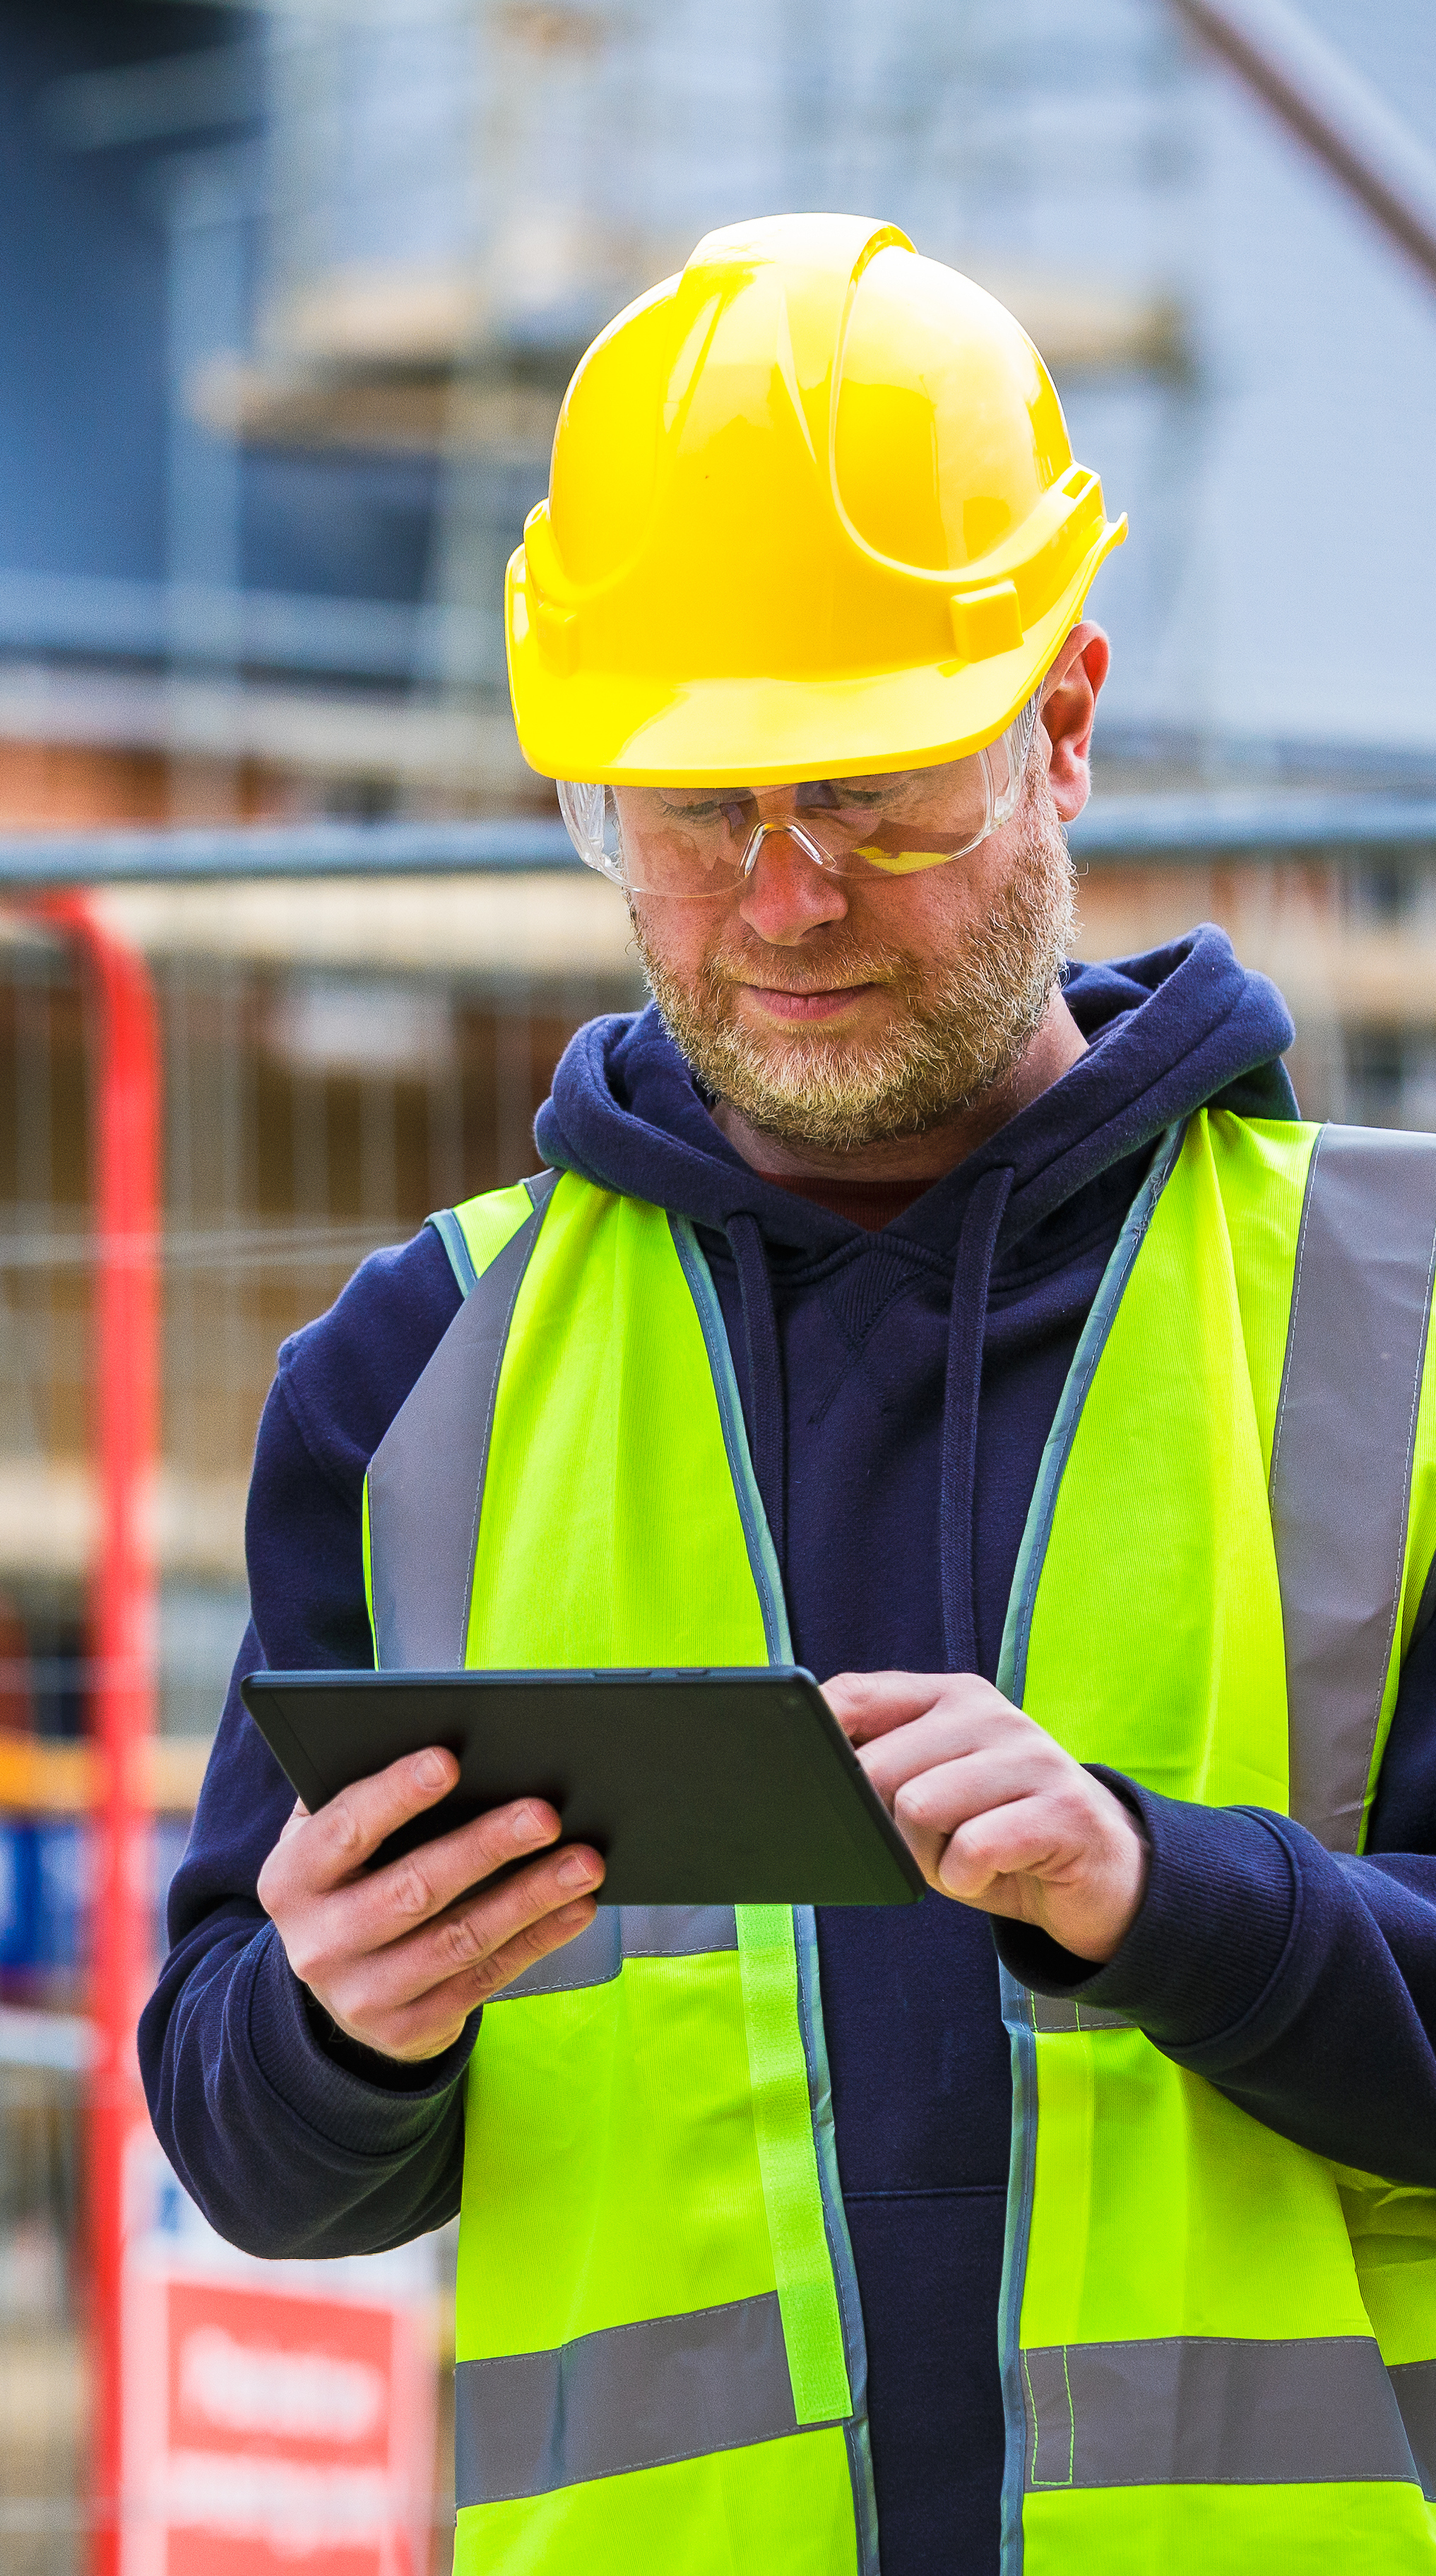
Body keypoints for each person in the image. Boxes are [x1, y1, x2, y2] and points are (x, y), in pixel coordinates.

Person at [141, 213, 1436, 2575]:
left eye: (876, 795)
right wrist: (341, 2021)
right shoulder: (421, 1382)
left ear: (1063, 719)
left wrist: (1162, 1893)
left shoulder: (1404, 1317)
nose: (787, 896)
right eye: (693, 808)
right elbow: (243, 2138)